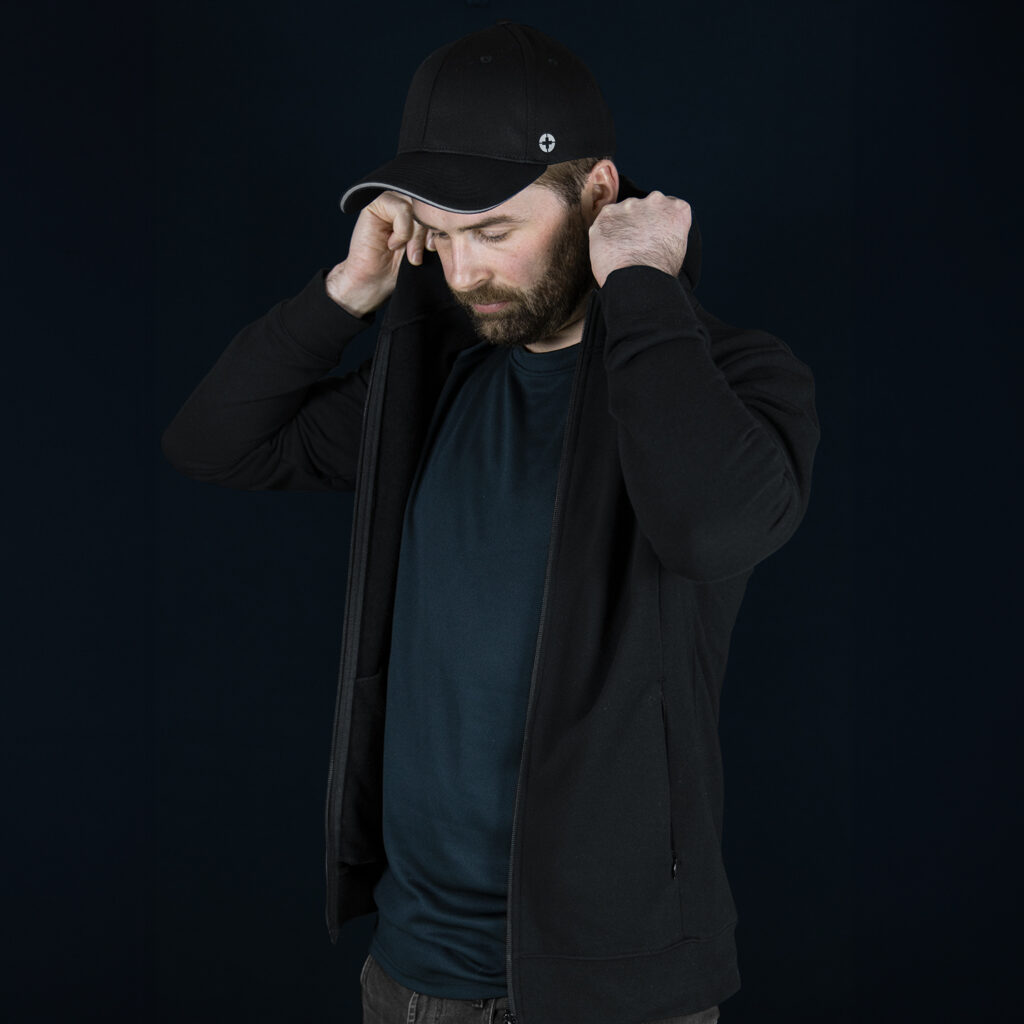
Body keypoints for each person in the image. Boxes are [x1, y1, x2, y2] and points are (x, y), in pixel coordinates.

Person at [162, 21, 819, 1024]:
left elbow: (712, 529)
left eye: (496, 231)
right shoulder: (437, 385)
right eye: (441, 233)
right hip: (413, 975)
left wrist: (642, 283)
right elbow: (214, 443)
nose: (463, 271)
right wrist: (346, 293)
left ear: (598, 193)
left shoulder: (732, 377)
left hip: (615, 993)